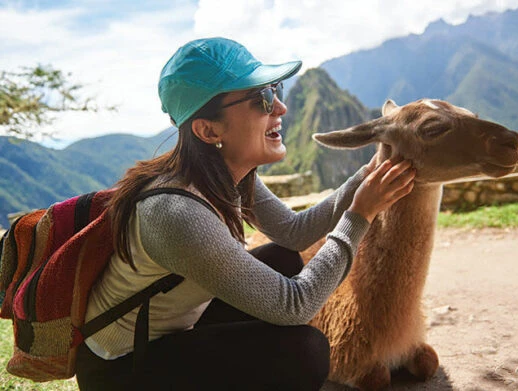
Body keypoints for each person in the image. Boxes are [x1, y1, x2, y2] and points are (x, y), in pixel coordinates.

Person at [74, 37, 416, 391]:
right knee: (304, 352)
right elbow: (294, 305)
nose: (280, 108)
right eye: (262, 99)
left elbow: (294, 231)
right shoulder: (176, 212)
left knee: (283, 258)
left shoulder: (228, 175)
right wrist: (360, 214)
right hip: (122, 369)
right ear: (208, 130)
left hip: (175, 330)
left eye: (275, 90)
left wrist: (366, 176)